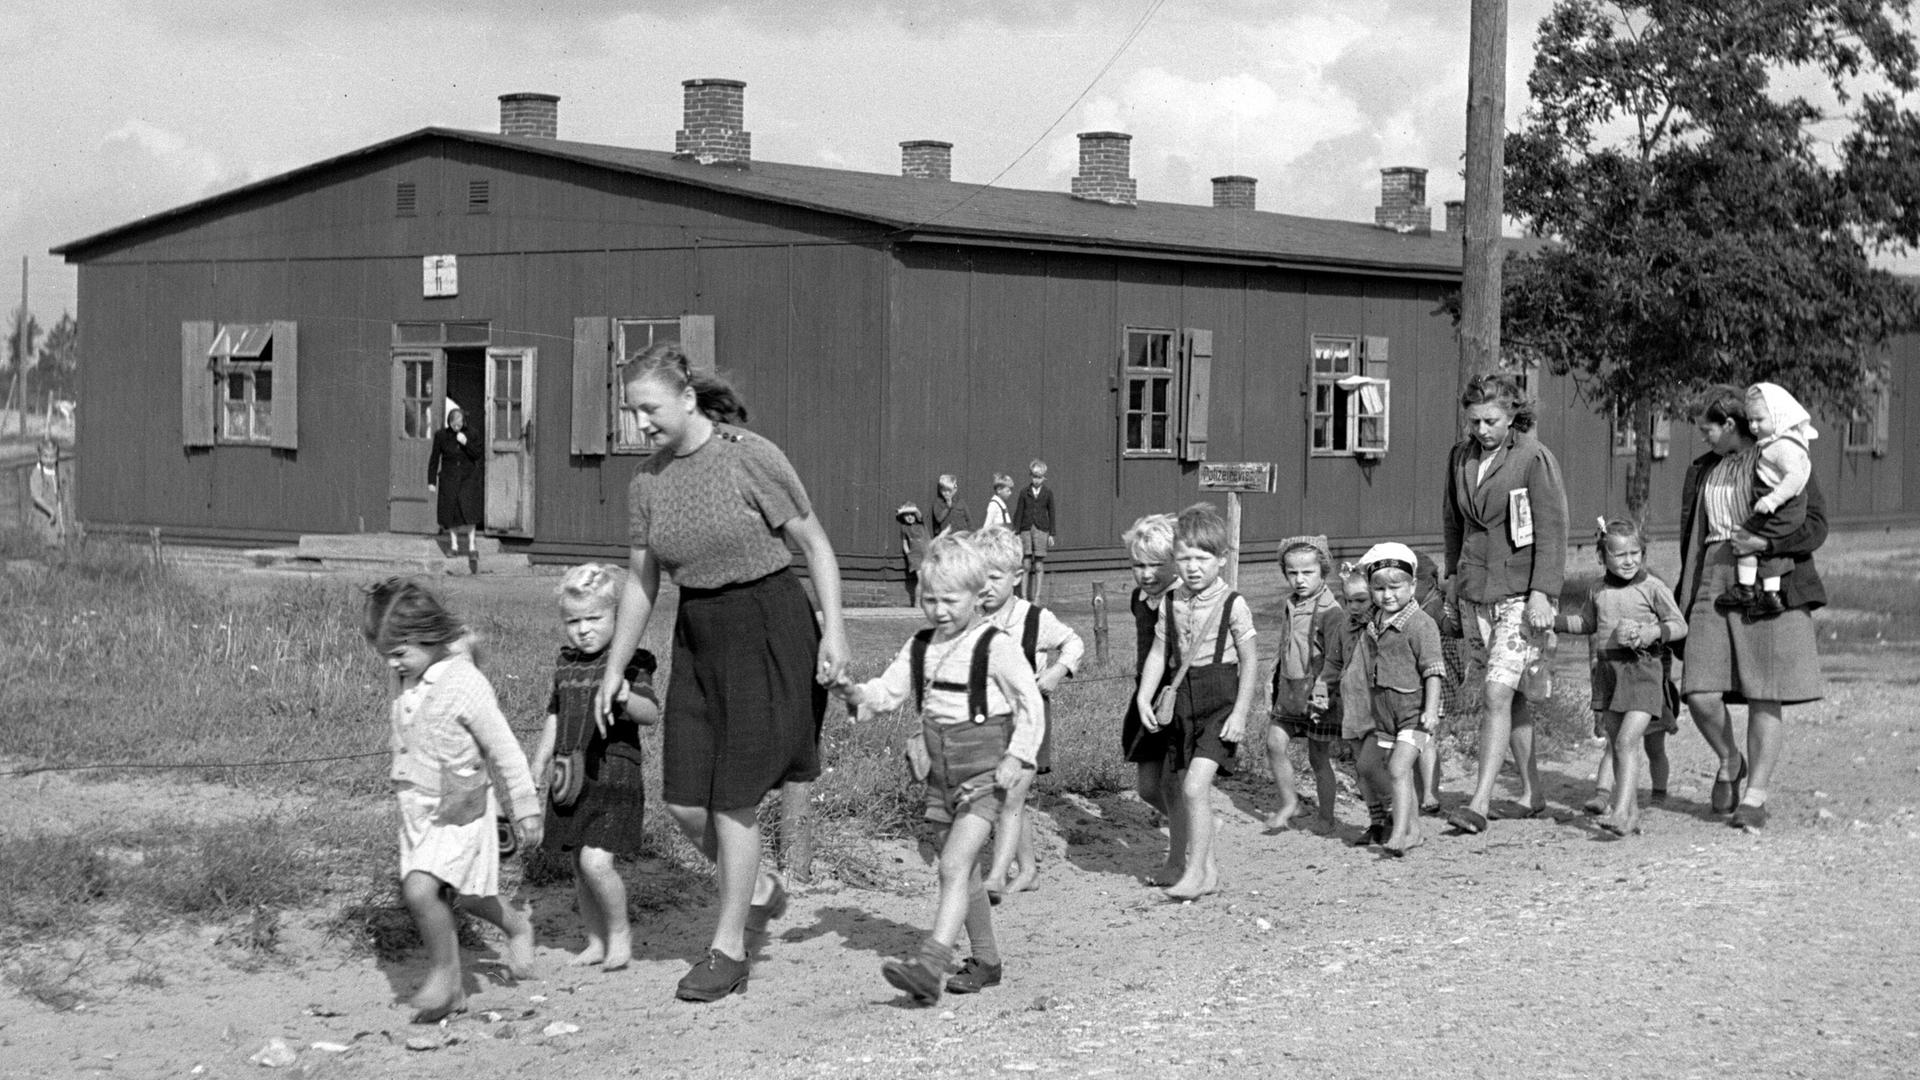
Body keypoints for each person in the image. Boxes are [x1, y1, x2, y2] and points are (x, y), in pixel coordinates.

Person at [594, 342, 850, 1003]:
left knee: (733, 798)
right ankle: (757, 884)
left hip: (768, 623)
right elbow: (641, 580)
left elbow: (815, 545)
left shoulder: (748, 456)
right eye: (631, 412)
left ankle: (728, 949)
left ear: (685, 399)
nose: (640, 423)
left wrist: (836, 631)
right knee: (684, 800)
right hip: (700, 634)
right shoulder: (646, 483)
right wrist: (613, 668)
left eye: (647, 409)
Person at [832, 536, 1044, 1005]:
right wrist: (853, 694)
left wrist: (1018, 757)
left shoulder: (996, 646)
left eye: (951, 600)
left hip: (985, 771)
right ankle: (987, 960)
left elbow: (1031, 707)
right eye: (930, 600)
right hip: (939, 774)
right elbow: (887, 693)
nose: (940, 610)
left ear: (977, 596)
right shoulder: (920, 646)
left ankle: (929, 965)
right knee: (963, 876)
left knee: (953, 865)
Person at [362, 578, 541, 1023]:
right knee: (469, 898)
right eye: (385, 654)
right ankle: (506, 935)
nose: (392, 663)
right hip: (416, 812)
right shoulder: (408, 673)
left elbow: (505, 749)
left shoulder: (466, 684)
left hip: (460, 810)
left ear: (429, 636)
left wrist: (525, 806)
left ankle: (445, 977)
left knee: (422, 890)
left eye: (400, 652)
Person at [1674, 385, 1827, 833]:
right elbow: (1693, 533)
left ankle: (1756, 793)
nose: (1703, 435)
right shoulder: (1704, 469)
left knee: (1765, 689)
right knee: (1699, 691)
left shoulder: (1782, 453)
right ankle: (1730, 760)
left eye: (1709, 428)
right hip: (1713, 576)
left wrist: (1767, 542)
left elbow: (1816, 525)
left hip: (1767, 573)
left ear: (1730, 424)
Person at [1442, 374, 1569, 836]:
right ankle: (1533, 793)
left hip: (1520, 592)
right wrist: (1453, 579)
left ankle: (1478, 802)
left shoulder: (1533, 459)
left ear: (1513, 414)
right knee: (1511, 695)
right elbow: (1453, 523)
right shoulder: (1460, 458)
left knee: (1495, 693)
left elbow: (1553, 530)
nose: (1481, 430)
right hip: (1477, 590)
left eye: (1491, 420)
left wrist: (1543, 591)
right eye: (1473, 420)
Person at [529, 564, 661, 970]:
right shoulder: (566, 664)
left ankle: (619, 933)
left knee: (596, 861)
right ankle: (595, 940)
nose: (583, 629)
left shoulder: (628, 663)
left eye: (594, 618)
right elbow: (555, 712)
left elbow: (650, 713)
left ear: (618, 617)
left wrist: (623, 696)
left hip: (612, 775)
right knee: (578, 863)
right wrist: (540, 757)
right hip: (571, 775)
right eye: (573, 620)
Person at [1133, 503, 1258, 901]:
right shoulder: (1172, 603)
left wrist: (1240, 713)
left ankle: (1195, 871)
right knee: (1189, 790)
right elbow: (1158, 652)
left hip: (1219, 702)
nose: (1192, 567)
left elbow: (1252, 660)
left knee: (1193, 787)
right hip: (1182, 704)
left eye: (1202, 558)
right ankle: (1206, 871)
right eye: (1183, 559)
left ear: (1221, 560)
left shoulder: (1232, 603)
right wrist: (1143, 697)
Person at [1554, 519, 1687, 837]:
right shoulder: (1597, 590)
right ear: (1602, 557)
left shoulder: (1652, 587)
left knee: (1628, 740)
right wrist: (1553, 622)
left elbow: (1680, 625)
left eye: (1635, 553)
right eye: (1619, 555)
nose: (1629, 561)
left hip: (1643, 671)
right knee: (1616, 742)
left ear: (1643, 553)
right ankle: (1630, 815)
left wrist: (1650, 632)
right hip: (1607, 673)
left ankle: (1619, 810)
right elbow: (1586, 623)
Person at [972, 525, 1084, 900]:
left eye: (994, 577)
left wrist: (1055, 672)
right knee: (1008, 797)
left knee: (1010, 797)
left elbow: (1073, 643)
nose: (984, 586)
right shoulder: (972, 619)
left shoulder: (1034, 619)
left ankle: (996, 875)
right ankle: (1030, 870)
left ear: (1017, 577)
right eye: (977, 577)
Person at [1322, 543, 1446, 857]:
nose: (1387, 595)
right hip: (1385, 716)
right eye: (1378, 588)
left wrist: (1431, 710)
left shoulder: (1420, 624)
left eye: (1395, 587)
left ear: (1413, 586)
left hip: (1413, 714)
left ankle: (1401, 832)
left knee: (1398, 768)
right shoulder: (1376, 622)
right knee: (1375, 766)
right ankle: (1412, 829)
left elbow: (1433, 670)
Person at [1264, 536, 1343, 833]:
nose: (1299, 580)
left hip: (1319, 693)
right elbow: (1286, 645)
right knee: (1274, 743)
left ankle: (1326, 816)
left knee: (1318, 756)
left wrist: (1325, 687)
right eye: (1292, 573)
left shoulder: (1331, 611)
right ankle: (1290, 802)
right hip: (1289, 689)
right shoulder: (1292, 605)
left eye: (1307, 572)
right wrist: (1271, 676)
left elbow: (1338, 657)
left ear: (1323, 571)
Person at [1117, 513, 1181, 880]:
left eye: (1156, 565)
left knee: (1174, 781)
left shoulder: (1182, 599)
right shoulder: (1139, 599)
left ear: (1175, 562)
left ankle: (1185, 843)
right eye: (1137, 565)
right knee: (1146, 787)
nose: (1145, 574)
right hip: (1146, 692)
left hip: (1177, 692)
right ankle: (1189, 824)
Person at [1720, 382, 1817, 619]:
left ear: (1778, 415)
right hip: (1781, 506)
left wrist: (1773, 500)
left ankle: (1747, 589)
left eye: (1759, 420)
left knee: (1746, 536)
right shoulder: (1775, 442)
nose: (1753, 426)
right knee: (1760, 543)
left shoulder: (1782, 446)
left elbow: (1795, 477)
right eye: (1750, 420)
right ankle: (1768, 594)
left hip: (1782, 507)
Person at [1322, 570, 1386, 846]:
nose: (1354, 607)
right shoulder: (1344, 628)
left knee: (1369, 765)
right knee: (1362, 772)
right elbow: (1333, 663)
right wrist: (1321, 688)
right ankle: (1377, 822)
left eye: (1361, 600)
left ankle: (1400, 812)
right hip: (1353, 706)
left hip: (1379, 708)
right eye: (1349, 601)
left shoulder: (1383, 626)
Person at [427, 403, 484, 573]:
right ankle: (453, 545)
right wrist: (431, 481)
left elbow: (477, 455)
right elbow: (434, 458)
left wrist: (466, 443)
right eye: (454, 424)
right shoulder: (442, 436)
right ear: (449, 423)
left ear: (464, 422)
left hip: (468, 478)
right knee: (452, 513)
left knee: (469, 513)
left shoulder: (472, 434)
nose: (457, 427)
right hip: (449, 479)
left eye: (459, 424)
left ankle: (472, 547)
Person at [1010, 459, 1057, 601]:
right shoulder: (1024, 492)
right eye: (1034, 476)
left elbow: (1052, 512)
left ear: (1044, 477)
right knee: (1025, 563)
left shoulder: (1048, 493)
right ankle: (1023, 596)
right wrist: (1016, 532)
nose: (1036, 480)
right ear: (1030, 476)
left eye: (1039, 477)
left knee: (1038, 564)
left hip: (1041, 529)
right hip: (1026, 529)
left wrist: (1052, 534)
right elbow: (1019, 512)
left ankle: (1036, 597)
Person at [28, 437, 65, 549]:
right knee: (46, 539)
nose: (49, 460)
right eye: (46, 456)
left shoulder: (58, 470)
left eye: (52, 457)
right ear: (39, 456)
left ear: (57, 457)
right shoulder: (38, 473)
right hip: (44, 511)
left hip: (57, 508)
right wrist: (49, 510)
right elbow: (36, 496)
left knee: (59, 536)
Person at [897, 502, 931, 604]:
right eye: (907, 515)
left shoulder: (921, 524)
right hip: (915, 556)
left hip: (927, 554)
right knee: (920, 579)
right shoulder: (904, 528)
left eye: (912, 515)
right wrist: (908, 554)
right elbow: (905, 543)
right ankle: (917, 603)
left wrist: (909, 509)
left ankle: (927, 602)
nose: (910, 517)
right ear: (903, 517)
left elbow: (919, 514)